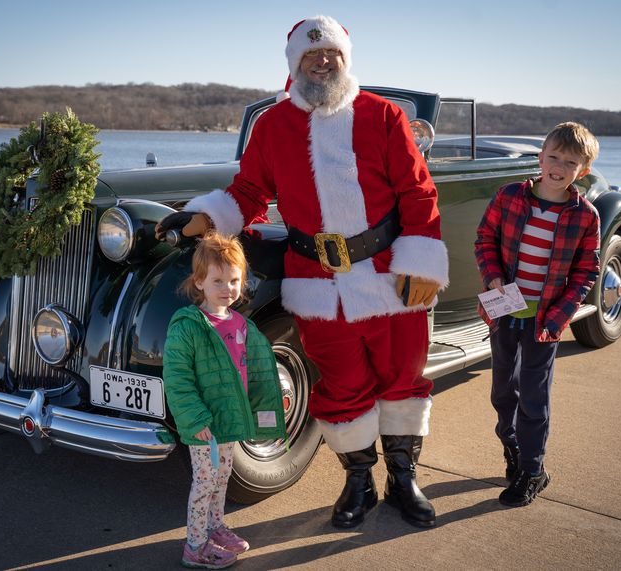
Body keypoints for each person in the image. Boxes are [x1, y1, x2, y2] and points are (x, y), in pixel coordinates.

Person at [157, 15, 448, 529]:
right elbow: (249, 192)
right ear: (295, 65)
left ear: (344, 59)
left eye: (331, 54)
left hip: (388, 275)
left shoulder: (382, 116)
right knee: (340, 382)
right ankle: (358, 481)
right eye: (311, 56)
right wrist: (203, 219)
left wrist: (422, 258)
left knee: (402, 377)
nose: (322, 61)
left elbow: (417, 190)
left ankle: (404, 481)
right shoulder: (272, 126)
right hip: (315, 282)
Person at [474, 122, 601, 507]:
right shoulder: (509, 196)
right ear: (540, 157)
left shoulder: (586, 216)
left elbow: (586, 272)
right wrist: (493, 276)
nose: (559, 167)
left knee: (534, 396)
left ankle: (533, 470)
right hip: (505, 312)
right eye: (554, 157)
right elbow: (485, 240)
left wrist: (561, 314)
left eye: (570, 162)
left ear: (583, 170)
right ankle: (512, 446)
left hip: (545, 320)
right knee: (502, 391)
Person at [163, 233, 286, 568]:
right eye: (218, 281)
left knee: (222, 477)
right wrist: (195, 419)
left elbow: (257, 374)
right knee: (204, 482)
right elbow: (178, 379)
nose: (227, 288)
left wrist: (261, 413)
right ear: (199, 282)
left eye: (234, 280)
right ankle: (195, 546)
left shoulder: (241, 325)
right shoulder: (188, 326)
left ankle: (215, 526)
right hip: (205, 424)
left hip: (229, 418)